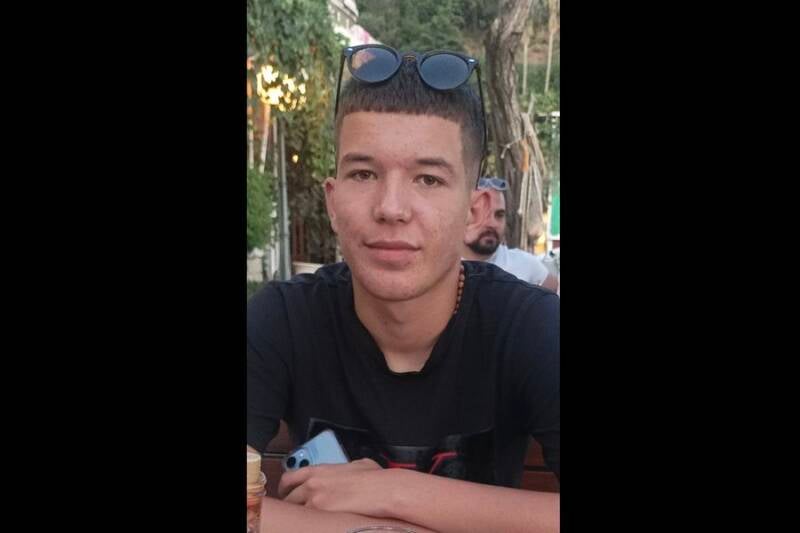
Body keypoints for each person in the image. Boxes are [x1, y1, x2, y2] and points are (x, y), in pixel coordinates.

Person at [248, 44, 559, 533]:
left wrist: (395, 490)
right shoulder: (282, 320)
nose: (391, 207)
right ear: (332, 202)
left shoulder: (530, 327)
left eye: (428, 179)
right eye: (364, 173)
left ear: (473, 209)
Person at [463, 176, 560, 292]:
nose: (492, 223)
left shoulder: (525, 264)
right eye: (481, 215)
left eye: (499, 215)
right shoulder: (446, 267)